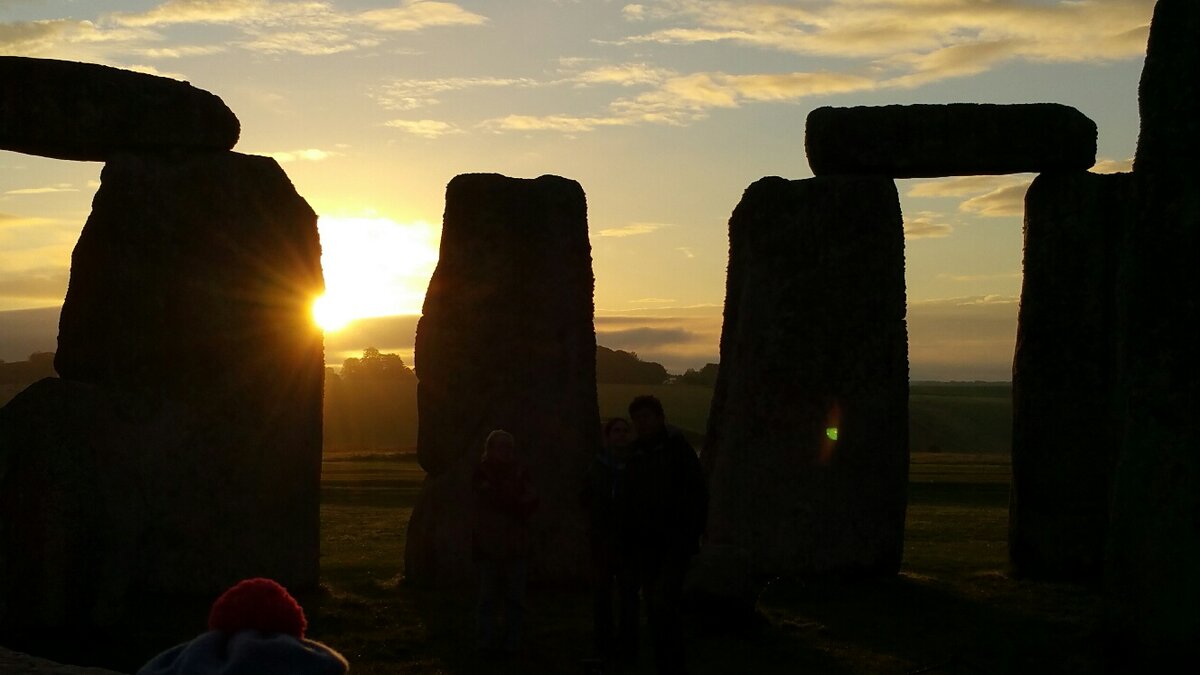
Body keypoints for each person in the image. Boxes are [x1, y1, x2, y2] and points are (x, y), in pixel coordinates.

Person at [625, 395, 707, 675]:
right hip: (646, 543)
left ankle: (673, 663)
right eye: (636, 419)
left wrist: (689, 534)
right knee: (653, 603)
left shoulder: (678, 450)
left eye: (646, 417)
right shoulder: (634, 452)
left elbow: (696, 494)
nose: (641, 423)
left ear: (660, 418)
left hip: (675, 542)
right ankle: (665, 662)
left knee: (664, 602)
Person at [472, 429, 538, 656]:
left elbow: (531, 501)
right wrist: (515, 502)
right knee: (487, 599)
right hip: (489, 544)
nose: (505, 451)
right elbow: (492, 500)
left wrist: (510, 501)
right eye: (500, 447)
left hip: (516, 544)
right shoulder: (480, 473)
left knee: (515, 599)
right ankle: (486, 642)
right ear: (489, 449)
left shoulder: (520, 472)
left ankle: (513, 642)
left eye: (509, 447)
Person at [582, 416, 641, 669]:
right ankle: (603, 646)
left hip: (629, 541)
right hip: (603, 541)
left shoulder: (638, 466)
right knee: (602, 597)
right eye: (615, 431)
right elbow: (585, 496)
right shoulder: (597, 466)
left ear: (630, 435)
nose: (619, 435)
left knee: (629, 597)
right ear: (607, 436)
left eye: (623, 431)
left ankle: (627, 647)